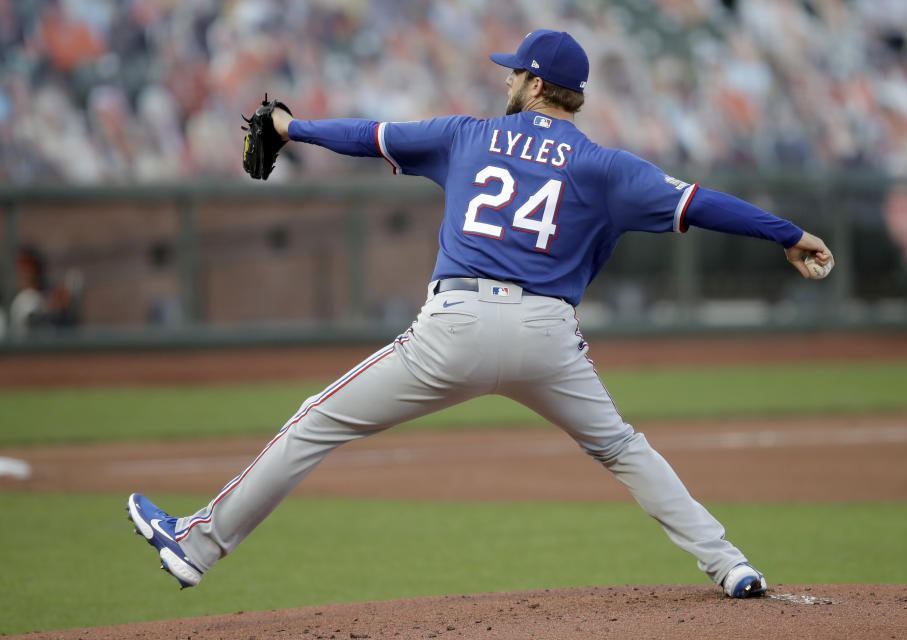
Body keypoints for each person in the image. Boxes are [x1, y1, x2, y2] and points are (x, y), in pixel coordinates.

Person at [128, 29, 833, 598]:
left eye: (512, 73)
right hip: (547, 338)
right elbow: (703, 202)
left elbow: (368, 135)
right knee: (622, 449)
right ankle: (730, 565)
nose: (504, 81)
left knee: (315, 421)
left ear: (532, 84)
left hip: (454, 328)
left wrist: (290, 125)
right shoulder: (605, 166)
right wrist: (789, 234)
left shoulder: (467, 136)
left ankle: (197, 546)